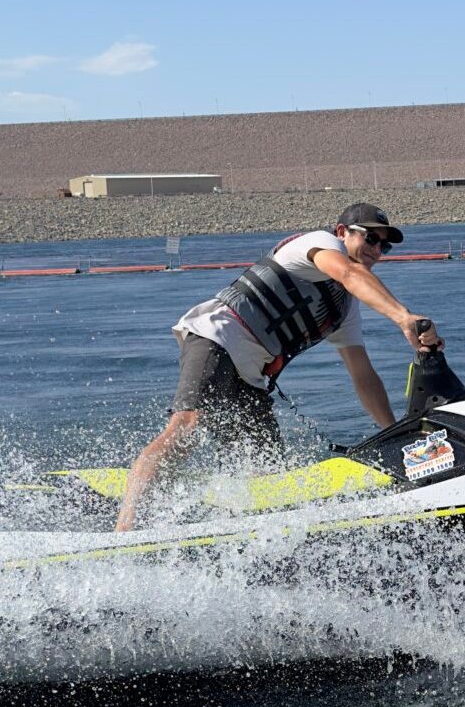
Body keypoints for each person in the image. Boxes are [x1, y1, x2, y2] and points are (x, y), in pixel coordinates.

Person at [114, 203, 442, 531]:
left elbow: (362, 374)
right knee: (187, 425)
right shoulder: (319, 244)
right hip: (217, 336)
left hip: (251, 377)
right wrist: (404, 317)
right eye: (370, 238)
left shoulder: (345, 308)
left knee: (265, 469)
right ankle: (125, 530)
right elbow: (348, 273)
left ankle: (248, 540)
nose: (376, 250)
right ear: (342, 233)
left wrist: (394, 433)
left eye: (383, 246)